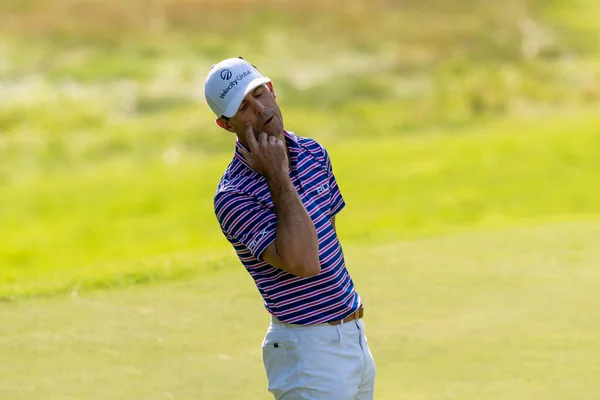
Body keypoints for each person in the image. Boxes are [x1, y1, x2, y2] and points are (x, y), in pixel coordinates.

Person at [204, 57, 376, 399]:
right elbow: (304, 262)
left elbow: (329, 250)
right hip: (307, 354)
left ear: (271, 89)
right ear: (227, 125)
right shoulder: (233, 196)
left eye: (258, 94)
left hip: (353, 336)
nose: (258, 109)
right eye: (242, 107)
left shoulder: (313, 153)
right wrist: (277, 175)